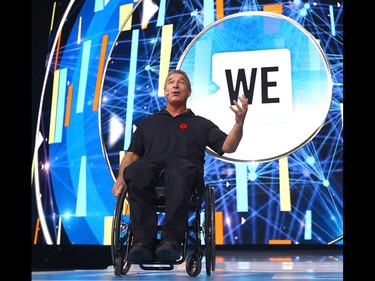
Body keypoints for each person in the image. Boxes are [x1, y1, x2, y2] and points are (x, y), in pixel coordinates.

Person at [111, 69, 248, 262]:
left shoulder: (201, 124)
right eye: (171, 82)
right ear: (165, 91)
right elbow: (132, 154)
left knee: (180, 169)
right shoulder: (148, 123)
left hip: (184, 176)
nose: (175, 85)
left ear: (189, 91)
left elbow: (228, 146)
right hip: (151, 175)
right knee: (137, 170)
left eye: (181, 82)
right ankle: (142, 243)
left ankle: (171, 241)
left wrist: (239, 123)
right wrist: (120, 178)